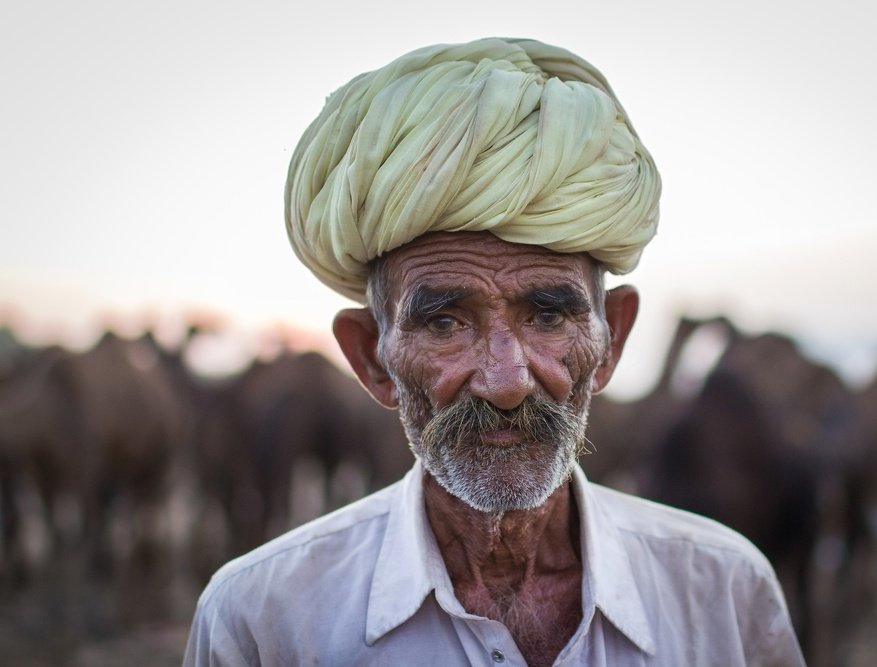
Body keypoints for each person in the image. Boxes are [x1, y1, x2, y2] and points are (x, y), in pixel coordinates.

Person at [183, 38, 805, 666]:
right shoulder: (262, 622)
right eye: (445, 323)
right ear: (372, 358)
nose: (506, 382)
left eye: (548, 316)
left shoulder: (725, 596)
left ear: (611, 340)